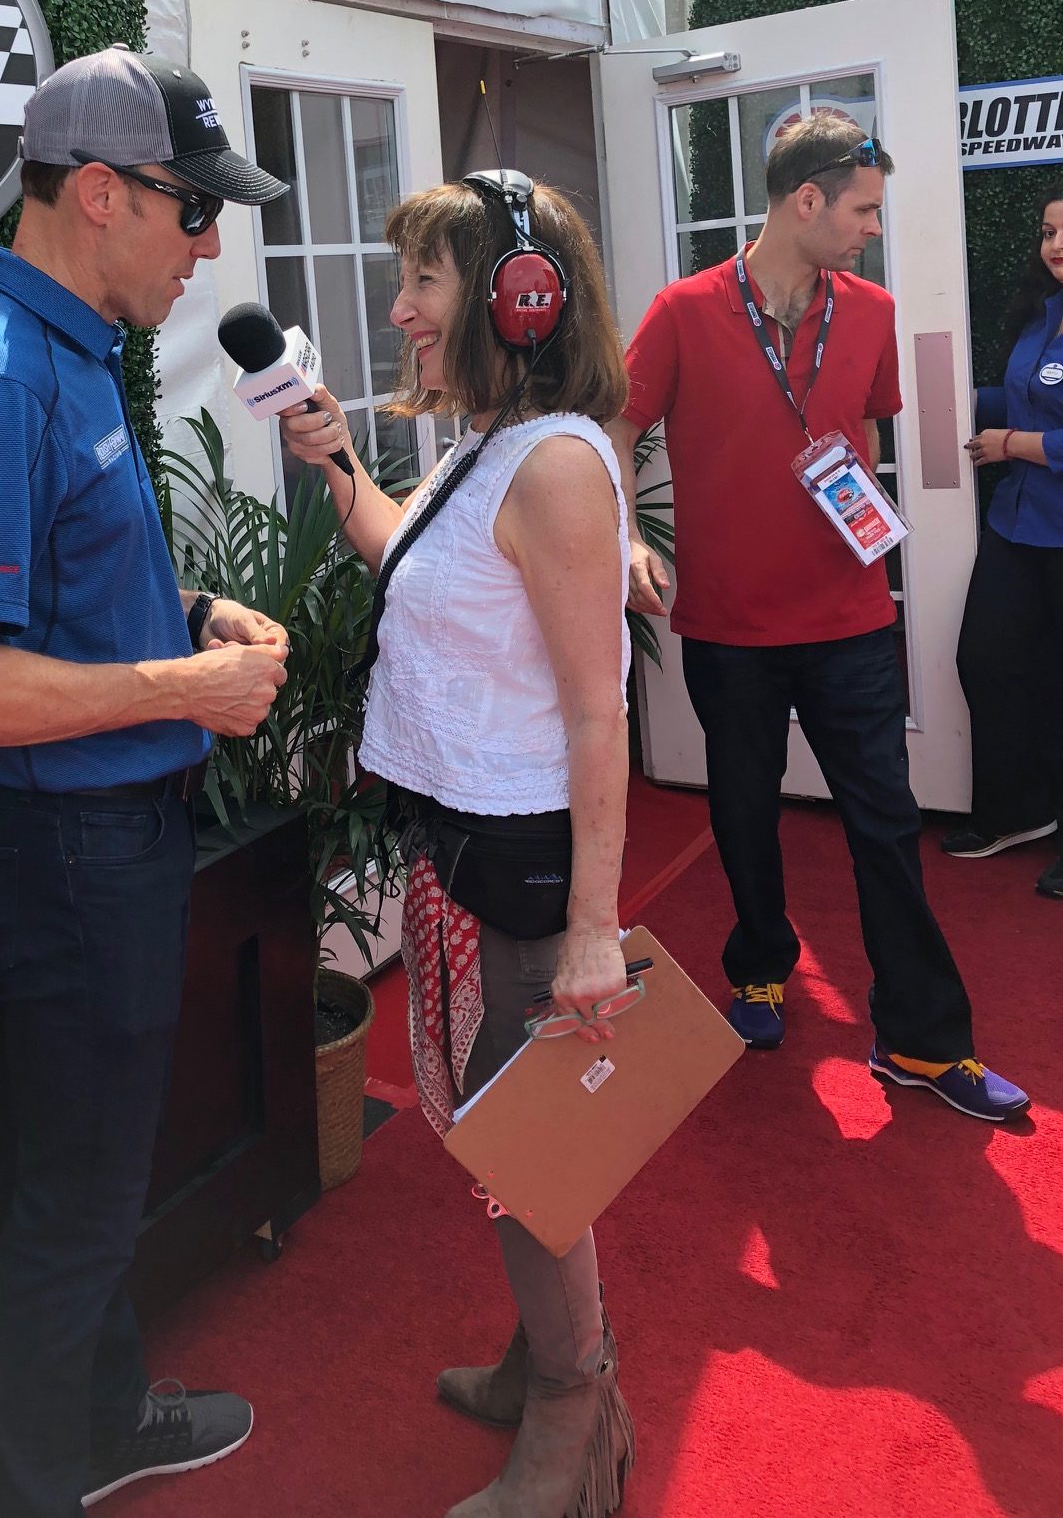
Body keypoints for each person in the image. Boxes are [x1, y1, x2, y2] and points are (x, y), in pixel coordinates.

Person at [0, 46, 292, 1518]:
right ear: (104, 194)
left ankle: (108, 1414)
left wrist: (193, 624)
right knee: (75, 1201)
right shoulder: (4, 375)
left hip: (97, 837)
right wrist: (190, 688)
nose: (210, 246)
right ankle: (36, 1484)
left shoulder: (67, 353)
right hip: (66, 848)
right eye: (194, 212)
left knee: (91, 1180)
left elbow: (63, 601)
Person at [281, 173, 637, 1518]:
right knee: (505, 1138)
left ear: (518, 298)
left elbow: (600, 715)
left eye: (427, 279)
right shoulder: (493, 448)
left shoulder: (548, 463)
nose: (399, 309)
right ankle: (542, 1351)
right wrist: (338, 469)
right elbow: (410, 561)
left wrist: (598, 929)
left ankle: (574, 1407)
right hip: (475, 846)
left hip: (534, 866)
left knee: (533, 1151)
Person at [608, 113, 1028, 1122]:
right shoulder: (682, 310)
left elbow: (866, 426)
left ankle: (922, 1042)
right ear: (807, 202)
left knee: (886, 826)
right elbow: (618, 423)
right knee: (743, 812)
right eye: (863, 210)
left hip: (847, 622)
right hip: (728, 629)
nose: (872, 230)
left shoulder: (874, 311)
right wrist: (627, 539)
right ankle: (759, 968)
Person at [945, 178, 1063, 898]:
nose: (1056, 246)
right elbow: (1014, 394)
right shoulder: (1041, 315)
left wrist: (1012, 444)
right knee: (986, 658)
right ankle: (1020, 811)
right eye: (1049, 232)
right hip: (1017, 526)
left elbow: (1021, 424)